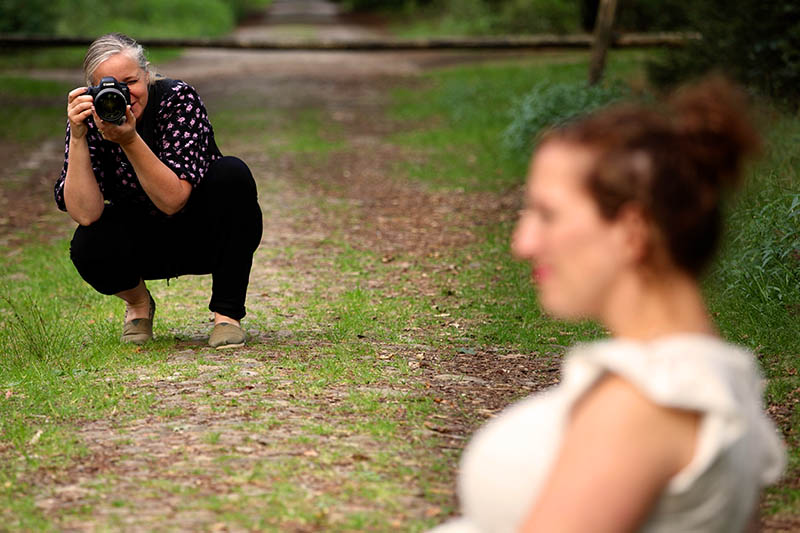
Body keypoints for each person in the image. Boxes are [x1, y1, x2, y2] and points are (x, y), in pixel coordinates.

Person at [430, 76, 785, 533]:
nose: (523, 243)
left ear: (632, 229)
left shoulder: (647, 401)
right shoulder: (713, 378)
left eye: (548, 214)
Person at [55, 33, 262, 349]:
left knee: (232, 174)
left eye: (131, 82)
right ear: (91, 90)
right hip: (142, 238)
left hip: (202, 232)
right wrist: (80, 137)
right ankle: (138, 305)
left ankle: (227, 315)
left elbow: (173, 201)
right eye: (110, 87)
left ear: (147, 75)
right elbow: (85, 213)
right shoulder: (90, 118)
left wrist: (128, 139)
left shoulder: (177, 100)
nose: (123, 95)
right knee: (88, 242)